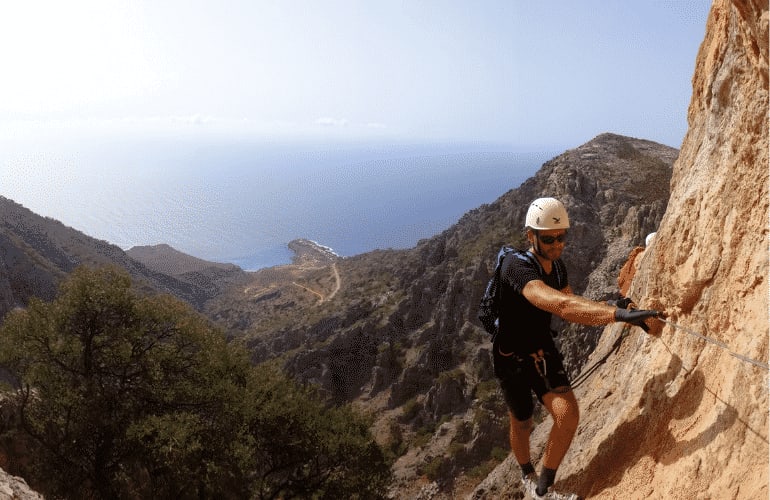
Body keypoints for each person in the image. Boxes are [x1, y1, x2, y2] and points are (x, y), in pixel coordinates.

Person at [493, 197, 661, 497]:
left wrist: (614, 305)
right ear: (530, 236)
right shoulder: (514, 267)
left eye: (562, 237)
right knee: (522, 422)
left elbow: (572, 300)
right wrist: (618, 315)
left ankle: (541, 490)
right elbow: (558, 304)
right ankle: (525, 473)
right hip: (511, 356)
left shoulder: (557, 268)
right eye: (549, 239)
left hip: (540, 349)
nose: (557, 245)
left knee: (568, 415)